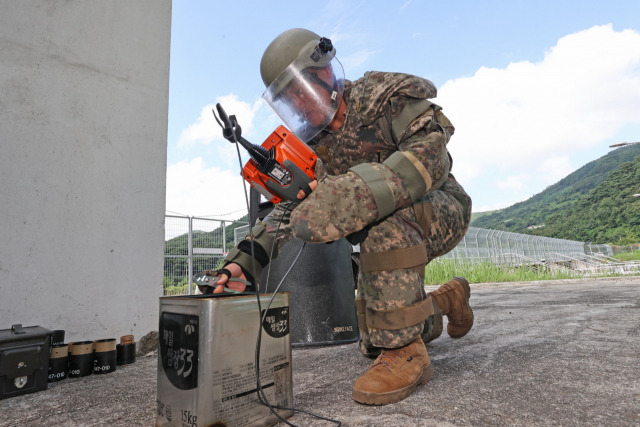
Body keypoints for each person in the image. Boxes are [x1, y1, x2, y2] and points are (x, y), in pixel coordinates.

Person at [214, 28, 474, 405]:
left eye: (300, 88)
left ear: (324, 71)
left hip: (440, 206)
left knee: (384, 231)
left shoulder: (380, 97)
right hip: (382, 228)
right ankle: (448, 301)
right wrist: (245, 262)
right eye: (288, 99)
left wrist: (354, 191)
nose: (299, 104)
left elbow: (433, 156)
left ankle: (406, 355)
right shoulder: (314, 145)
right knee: (375, 336)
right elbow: (289, 209)